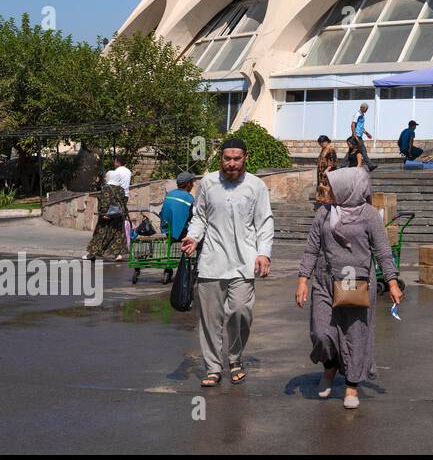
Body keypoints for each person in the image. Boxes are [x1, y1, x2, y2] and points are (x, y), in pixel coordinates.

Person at [296, 166, 401, 409]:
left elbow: (383, 251)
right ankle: (330, 367)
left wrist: (392, 282)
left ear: (348, 188)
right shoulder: (324, 212)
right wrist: (303, 279)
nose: (328, 190)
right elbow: (312, 247)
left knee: (356, 335)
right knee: (321, 333)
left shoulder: (370, 215)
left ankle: (352, 386)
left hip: (358, 282)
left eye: (333, 186)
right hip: (324, 280)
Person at [180, 138, 274, 388]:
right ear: (220, 158)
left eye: (236, 158)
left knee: (240, 312)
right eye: (227, 158)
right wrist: (193, 237)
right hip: (211, 262)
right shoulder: (208, 183)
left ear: (246, 158)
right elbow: (200, 216)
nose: (231, 164)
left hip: (244, 263)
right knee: (210, 319)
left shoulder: (256, 186)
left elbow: (264, 222)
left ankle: (234, 358)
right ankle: (212, 367)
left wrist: (263, 253)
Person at [85, 180, 130, 262]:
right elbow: (124, 201)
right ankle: (118, 254)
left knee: (100, 233)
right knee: (118, 234)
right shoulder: (121, 189)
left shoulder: (106, 188)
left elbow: (105, 201)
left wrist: (103, 213)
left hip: (108, 215)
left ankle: (92, 253)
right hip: (119, 215)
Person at [160, 171, 198, 241]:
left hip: (166, 231)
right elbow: (193, 217)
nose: (193, 185)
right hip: (180, 234)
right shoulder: (189, 198)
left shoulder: (169, 194)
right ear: (188, 184)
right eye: (192, 182)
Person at [351, 103, 376, 171]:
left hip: (359, 135)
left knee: (354, 151)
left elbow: (361, 127)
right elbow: (353, 124)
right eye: (366, 109)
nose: (366, 110)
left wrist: (367, 134)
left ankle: (343, 164)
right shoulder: (357, 114)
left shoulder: (362, 115)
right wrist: (354, 134)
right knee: (363, 150)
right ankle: (370, 165)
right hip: (357, 136)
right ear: (362, 108)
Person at [315, 135, 337, 205]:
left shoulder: (331, 149)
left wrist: (327, 169)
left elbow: (333, 161)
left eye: (321, 143)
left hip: (328, 172)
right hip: (321, 173)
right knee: (321, 187)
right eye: (320, 144)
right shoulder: (323, 149)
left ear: (326, 142)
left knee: (327, 187)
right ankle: (322, 201)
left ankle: (328, 202)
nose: (320, 145)